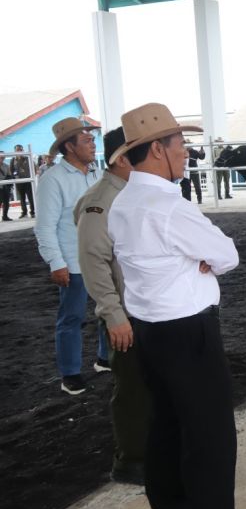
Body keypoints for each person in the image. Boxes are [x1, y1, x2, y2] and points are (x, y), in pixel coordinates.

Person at [107, 103, 246, 509]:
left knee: (166, 422)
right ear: (157, 149)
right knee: (210, 432)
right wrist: (203, 263)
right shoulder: (169, 208)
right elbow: (228, 255)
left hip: (149, 330)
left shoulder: (124, 202)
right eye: (181, 146)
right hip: (188, 331)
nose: (187, 155)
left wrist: (199, 261)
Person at [74, 127, 150, 486]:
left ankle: (151, 451)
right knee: (132, 389)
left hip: (146, 310)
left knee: (150, 384)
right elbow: (94, 263)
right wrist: (114, 315)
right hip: (125, 315)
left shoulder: (132, 193)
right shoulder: (101, 200)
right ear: (121, 159)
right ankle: (131, 461)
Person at [34, 117, 109, 395]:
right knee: (72, 318)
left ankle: (105, 358)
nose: (92, 144)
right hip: (73, 262)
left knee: (107, 311)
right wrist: (56, 262)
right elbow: (44, 226)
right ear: (69, 146)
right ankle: (70, 373)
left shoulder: (97, 174)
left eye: (92, 139)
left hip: (100, 258)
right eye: (86, 140)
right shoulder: (53, 179)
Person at [12, 144, 35, 218]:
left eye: (20, 150)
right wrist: (15, 176)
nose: (19, 151)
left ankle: (32, 212)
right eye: (17, 150)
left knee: (30, 197)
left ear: (23, 150)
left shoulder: (27, 158)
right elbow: (12, 170)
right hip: (19, 182)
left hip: (28, 181)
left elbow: (34, 167)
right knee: (22, 198)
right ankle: (24, 212)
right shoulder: (13, 160)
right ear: (15, 151)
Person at [0, 155, 12, 221]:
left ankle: (5, 216)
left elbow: (9, 175)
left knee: (6, 202)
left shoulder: (6, 166)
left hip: (4, 186)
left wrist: (9, 185)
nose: (1, 159)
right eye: (0, 157)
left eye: (2, 157)